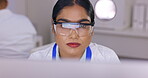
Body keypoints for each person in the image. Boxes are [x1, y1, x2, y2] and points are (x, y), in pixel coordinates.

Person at [29, 0, 120, 63]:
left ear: (92, 30)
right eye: (65, 25)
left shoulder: (107, 59)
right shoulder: (37, 60)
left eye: (82, 26)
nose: (73, 35)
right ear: (53, 27)